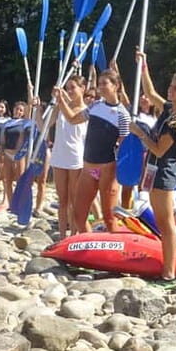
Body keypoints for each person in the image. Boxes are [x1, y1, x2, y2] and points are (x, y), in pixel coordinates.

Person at [128, 51, 176, 288]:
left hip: (164, 173)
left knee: (166, 223)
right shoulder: (170, 109)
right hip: (155, 171)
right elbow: (150, 93)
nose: (170, 91)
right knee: (163, 222)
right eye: (170, 87)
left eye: (175, 89)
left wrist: (140, 133)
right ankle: (166, 269)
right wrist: (144, 67)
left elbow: (160, 150)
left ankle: (169, 274)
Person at [54, 69, 130, 233]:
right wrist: (61, 100)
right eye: (99, 83)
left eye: (105, 84)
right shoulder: (95, 106)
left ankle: (114, 251)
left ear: (116, 86)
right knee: (78, 216)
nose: (100, 87)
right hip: (89, 167)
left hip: (107, 169)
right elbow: (73, 119)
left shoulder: (123, 114)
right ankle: (87, 246)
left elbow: (125, 148)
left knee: (109, 217)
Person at [48, 76, 88, 237]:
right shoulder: (60, 107)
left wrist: (61, 98)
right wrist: (37, 107)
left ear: (82, 88)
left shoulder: (87, 110)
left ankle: (74, 235)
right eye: (68, 88)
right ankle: (62, 236)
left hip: (76, 157)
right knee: (62, 200)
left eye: (73, 87)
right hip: (59, 155)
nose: (70, 91)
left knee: (74, 200)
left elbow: (73, 118)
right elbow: (44, 124)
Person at [0, 99, 33, 209]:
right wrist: (2, 150)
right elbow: (3, 138)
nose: (18, 111)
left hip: (19, 154)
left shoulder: (25, 122)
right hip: (8, 152)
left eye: (20, 110)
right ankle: (11, 204)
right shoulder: (7, 123)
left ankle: (21, 203)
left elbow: (30, 107)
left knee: (20, 180)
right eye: (16, 109)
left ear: (23, 112)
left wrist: (30, 91)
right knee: (7, 180)